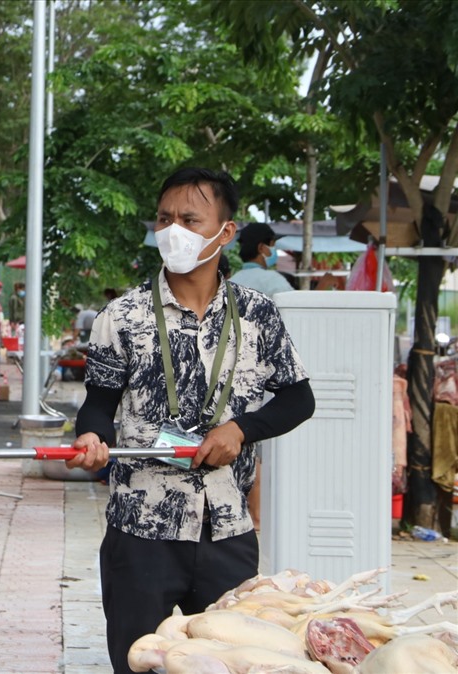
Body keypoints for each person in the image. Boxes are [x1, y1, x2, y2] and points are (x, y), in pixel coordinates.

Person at [68, 167, 315, 673]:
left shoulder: (258, 315)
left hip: (226, 530)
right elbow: (98, 403)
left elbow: (299, 398)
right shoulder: (123, 315)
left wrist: (241, 429)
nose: (172, 230)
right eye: (164, 218)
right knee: (138, 663)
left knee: (230, 666)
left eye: (189, 219)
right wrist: (92, 436)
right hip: (140, 530)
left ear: (225, 233)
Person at [229, 224, 294, 530]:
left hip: (230, 379)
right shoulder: (274, 282)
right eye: (272, 245)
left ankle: (244, 515)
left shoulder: (228, 282)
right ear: (263, 248)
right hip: (266, 379)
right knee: (262, 454)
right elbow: (294, 327)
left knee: (243, 447)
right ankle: (257, 520)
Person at [229, 222, 293, 297]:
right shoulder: (273, 280)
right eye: (272, 245)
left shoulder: (230, 283)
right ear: (261, 248)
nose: (274, 249)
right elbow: (292, 306)